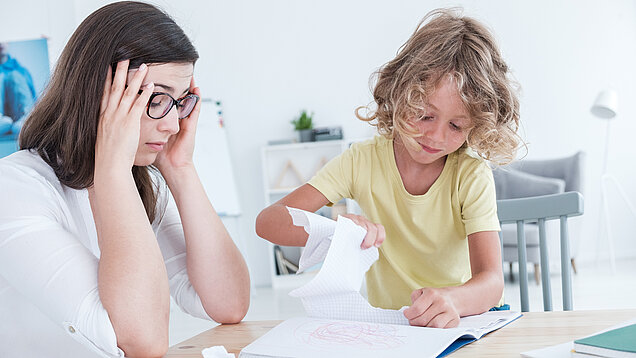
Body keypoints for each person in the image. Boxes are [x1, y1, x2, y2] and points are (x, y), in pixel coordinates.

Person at [0, 2, 250, 357]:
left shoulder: (142, 185)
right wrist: (112, 169)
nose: (173, 124)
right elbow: (141, 340)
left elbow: (229, 303)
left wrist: (181, 169)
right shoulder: (13, 189)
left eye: (181, 103)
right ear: (99, 91)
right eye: (158, 98)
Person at [256, 8, 521, 329]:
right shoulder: (361, 161)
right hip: (388, 328)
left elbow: (491, 281)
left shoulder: (470, 175)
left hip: (455, 325)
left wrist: (453, 299)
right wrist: (337, 232)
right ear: (401, 94)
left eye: (456, 125)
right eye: (425, 115)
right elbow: (268, 223)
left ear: (475, 127)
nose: (436, 136)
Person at [0, 41, 36, 136]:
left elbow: (33, 97)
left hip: (18, 116)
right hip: (3, 118)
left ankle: (27, 118)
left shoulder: (21, 71)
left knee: (15, 76)